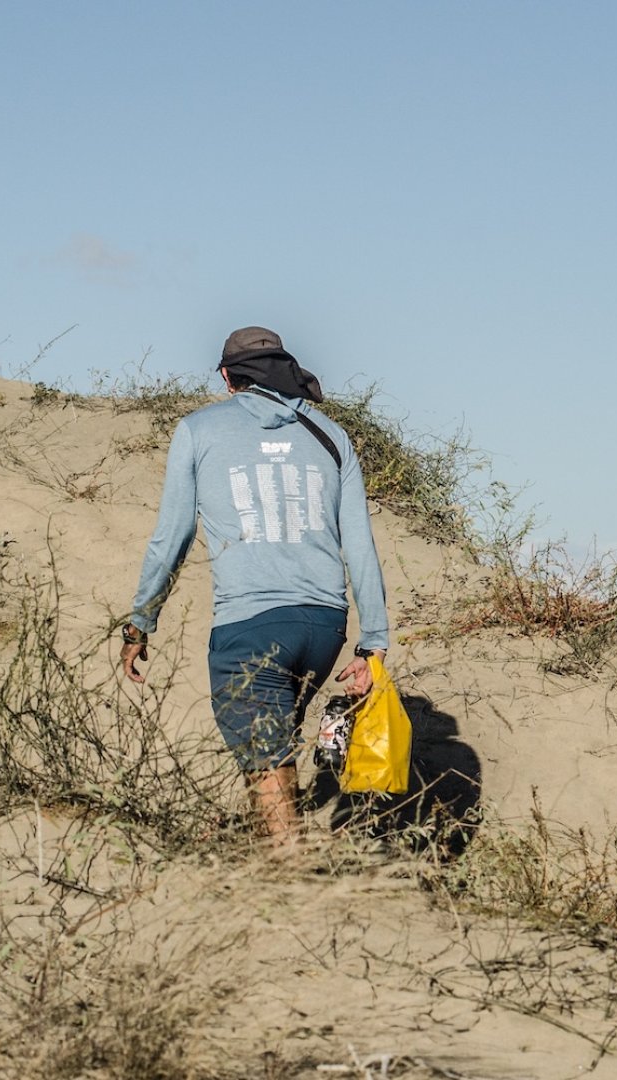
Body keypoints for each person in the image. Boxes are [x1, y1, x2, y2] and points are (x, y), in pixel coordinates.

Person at [122, 326, 390, 842]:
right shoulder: (332, 436)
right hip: (324, 627)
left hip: (250, 627)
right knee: (275, 741)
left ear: (227, 377)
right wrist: (372, 643)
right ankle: (279, 852)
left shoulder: (199, 429)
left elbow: (172, 537)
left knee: (265, 759)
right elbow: (360, 546)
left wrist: (141, 621)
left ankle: (285, 880)